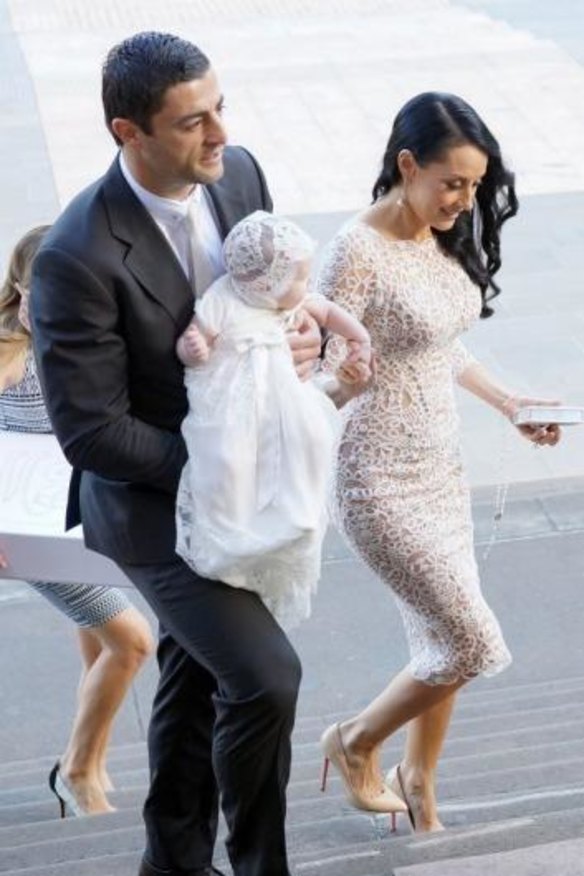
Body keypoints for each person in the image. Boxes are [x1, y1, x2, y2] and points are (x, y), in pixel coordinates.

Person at [29, 31, 342, 876]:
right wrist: (225, 467)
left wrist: (298, 333)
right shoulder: (74, 257)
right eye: (191, 122)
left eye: (220, 109)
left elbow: (276, 296)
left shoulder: (237, 176)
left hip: (241, 486)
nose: (220, 137)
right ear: (127, 133)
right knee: (265, 677)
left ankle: (172, 862)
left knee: (199, 675)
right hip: (151, 499)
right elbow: (92, 432)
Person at [316, 92, 562, 833]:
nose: (466, 199)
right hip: (376, 478)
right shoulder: (353, 251)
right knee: (466, 639)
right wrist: (343, 380)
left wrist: (511, 403)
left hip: (440, 470)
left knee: (439, 640)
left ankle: (419, 779)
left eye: (475, 185)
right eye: (452, 182)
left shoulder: (431, 234)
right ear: (406, 164)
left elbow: (438, 345)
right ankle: (354, 742)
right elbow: (310, 382)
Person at [0, 225, 154, 817]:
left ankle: (94, 759)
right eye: (43, 292)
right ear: (18, 288)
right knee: (132, 641)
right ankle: (79, 770)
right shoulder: (10, 354)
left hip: (82, 515)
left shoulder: (85, 340)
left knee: (101, 646)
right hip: (26, 527)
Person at [175, 209, 370, 631]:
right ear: (265, 283)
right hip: (234, 406)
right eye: (298, 278)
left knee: (308, 445)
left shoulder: (296, 299)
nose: (306, 286)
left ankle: (296, 520)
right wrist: (193, 348)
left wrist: (359, 338)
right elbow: (198, 336)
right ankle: (230, 534)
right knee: (230, 461)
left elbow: (329, 311)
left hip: (284, 399)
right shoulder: (224, 298)